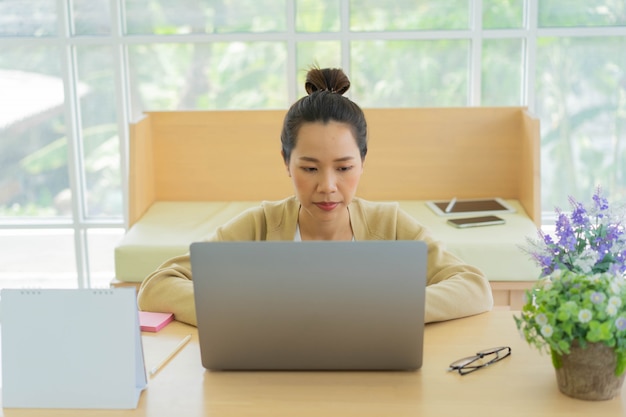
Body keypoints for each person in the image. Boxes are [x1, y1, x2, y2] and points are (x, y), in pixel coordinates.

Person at [137, 67, 493, 326]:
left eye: (343, 167)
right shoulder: (259, 226)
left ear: (363, 162)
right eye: (309, 168)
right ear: (286, 163)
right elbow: (157, 288)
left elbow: (475, 287)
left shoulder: (390, 223)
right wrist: (250, 309)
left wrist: (383, 307)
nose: (327, 186)